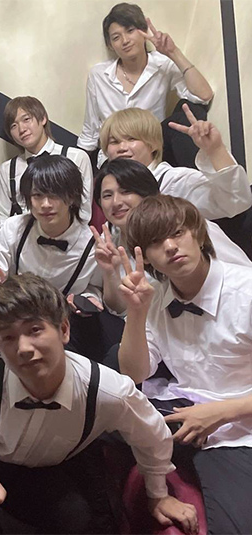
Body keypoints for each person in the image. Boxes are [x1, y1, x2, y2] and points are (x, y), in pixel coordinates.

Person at [0, 273, 199, 535]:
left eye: (35, 330)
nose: (23, 348)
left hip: (63, 464)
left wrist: (158, 495)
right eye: (8, 337)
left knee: (84, 520)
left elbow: (152, 436)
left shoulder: (106, 390)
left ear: (63, 329)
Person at [117, 194, 252, 534]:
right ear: (145, 256)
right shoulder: (155, 297)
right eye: (155, 242)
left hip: (240, 427)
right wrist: (136, 312)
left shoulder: (246, 291)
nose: (170, 246)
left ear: (198, 233)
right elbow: (134, 373)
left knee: (234, 527)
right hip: (181, 411)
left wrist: (220, 412)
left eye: (177, 233)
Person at [0, 155, 101, 369]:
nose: (45, 204)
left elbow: (96, 290)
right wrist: (0, 292)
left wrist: (86, 299)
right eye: (37, 195)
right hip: (14, 308)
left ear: (72, 196)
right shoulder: (14, 227)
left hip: (58, 319)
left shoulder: (91, 244)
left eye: (54, 195)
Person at [92, 159, 250, 315]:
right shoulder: (111, 244)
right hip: (159, 324)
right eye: (107, 195)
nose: (116, 202)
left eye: (126, 191)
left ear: (146, 192)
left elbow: (243, 274)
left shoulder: (187, 230)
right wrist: (110, 272)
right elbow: (121, 310)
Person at [100, 105, 252, 257]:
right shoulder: (113, 200)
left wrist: (215, 150)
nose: (122, 147)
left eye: (131, 139)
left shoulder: (175, 181)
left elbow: (235, 201)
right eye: (114, 142)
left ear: (152, 144)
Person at [78, 2, 213, 168]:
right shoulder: (98, 75)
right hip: (116, 155)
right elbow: (90, 131)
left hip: (153, 150)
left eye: (130, 30)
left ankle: (197, 180)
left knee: (190, 110)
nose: (125, 40)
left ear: (144, 32)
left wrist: (173, 53)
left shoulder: (162, 64)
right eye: (116, 37)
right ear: (110, 45)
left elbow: (203, 96)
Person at [0, 96, 92, 233]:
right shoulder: (7, 169)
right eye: (13, 126)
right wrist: (15, 235)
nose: (22, 129)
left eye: (26, 119)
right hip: (20, 239)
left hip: (68, 239)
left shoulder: (76, 157)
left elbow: (84, 213)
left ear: (43, 118)